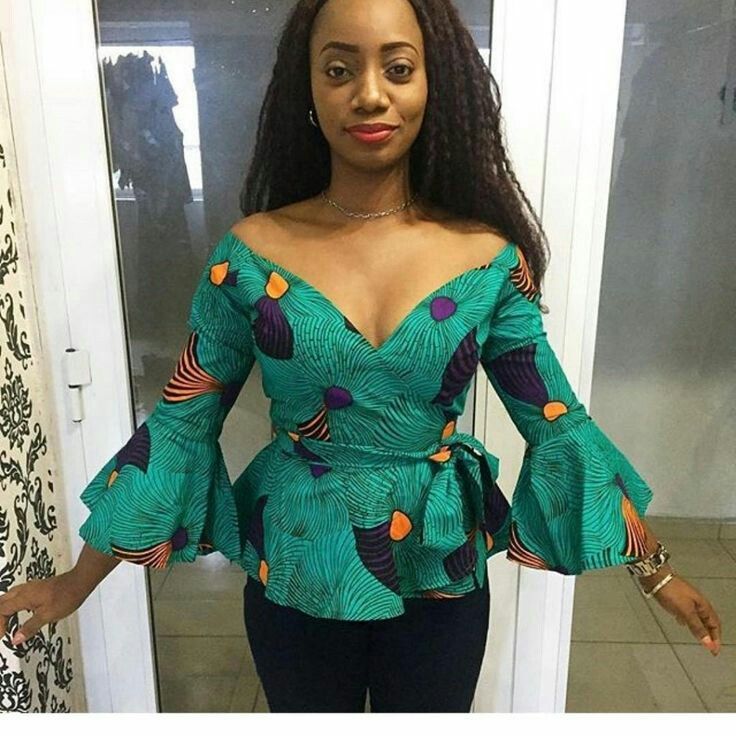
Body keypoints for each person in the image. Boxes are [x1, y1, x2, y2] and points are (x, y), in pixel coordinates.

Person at [0, 0, 722, 714]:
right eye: (339, 69)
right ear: (308, 88)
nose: (370, 94)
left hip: (439, 565)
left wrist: (655, 570)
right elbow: (181, 425)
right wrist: (75, 584)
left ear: (433, 83)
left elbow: (556, 422)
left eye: (398, 68)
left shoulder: (489, 261)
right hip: (299, 561)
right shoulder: (249, 255)